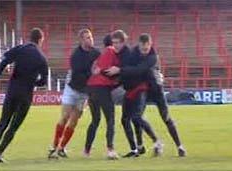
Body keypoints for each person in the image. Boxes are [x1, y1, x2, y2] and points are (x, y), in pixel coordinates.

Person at [106, 33, 186, 157]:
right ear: (139, 45)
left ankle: (179, 146)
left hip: (156, 90)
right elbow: (128, 66)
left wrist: (120, 70)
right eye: (142, 49)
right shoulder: (134, 53)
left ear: (150, 45)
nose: (144, 51)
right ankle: (140, 146)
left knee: (165, 117)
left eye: (146, 49)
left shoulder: (153, 57)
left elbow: (139, 69)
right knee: (136, 117)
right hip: (144, 89)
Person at [0, 28, 49, 163]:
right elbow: (43, 81)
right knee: (14, 126)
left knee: (3, 123)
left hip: (13, 90)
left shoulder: (20, 48)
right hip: (26, 95)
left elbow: (4, 61)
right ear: (40, 40)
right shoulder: (42, 58)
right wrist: (32, 82)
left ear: (30, 37)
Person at [48, 29, 100, 159]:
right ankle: (54, 146)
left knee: (74, 121)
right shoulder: (76, 55)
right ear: (81, 40)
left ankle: (61, 148)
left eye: (91, 37)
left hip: (84, 93)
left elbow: (102, 65)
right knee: (65, 116)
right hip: (72, 89)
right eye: (87, 38)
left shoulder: (96, 53)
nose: (91, 40)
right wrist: (93, 73)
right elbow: (78, 74)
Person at [84, 32, 121, 160]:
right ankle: (110, 149)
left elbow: (98, 70)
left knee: (95, 120)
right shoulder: (111, 51)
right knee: (110, 119)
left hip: (91, 88)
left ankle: (87, 150)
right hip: (101, 88)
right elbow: (107, 71)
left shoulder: (102, 54)